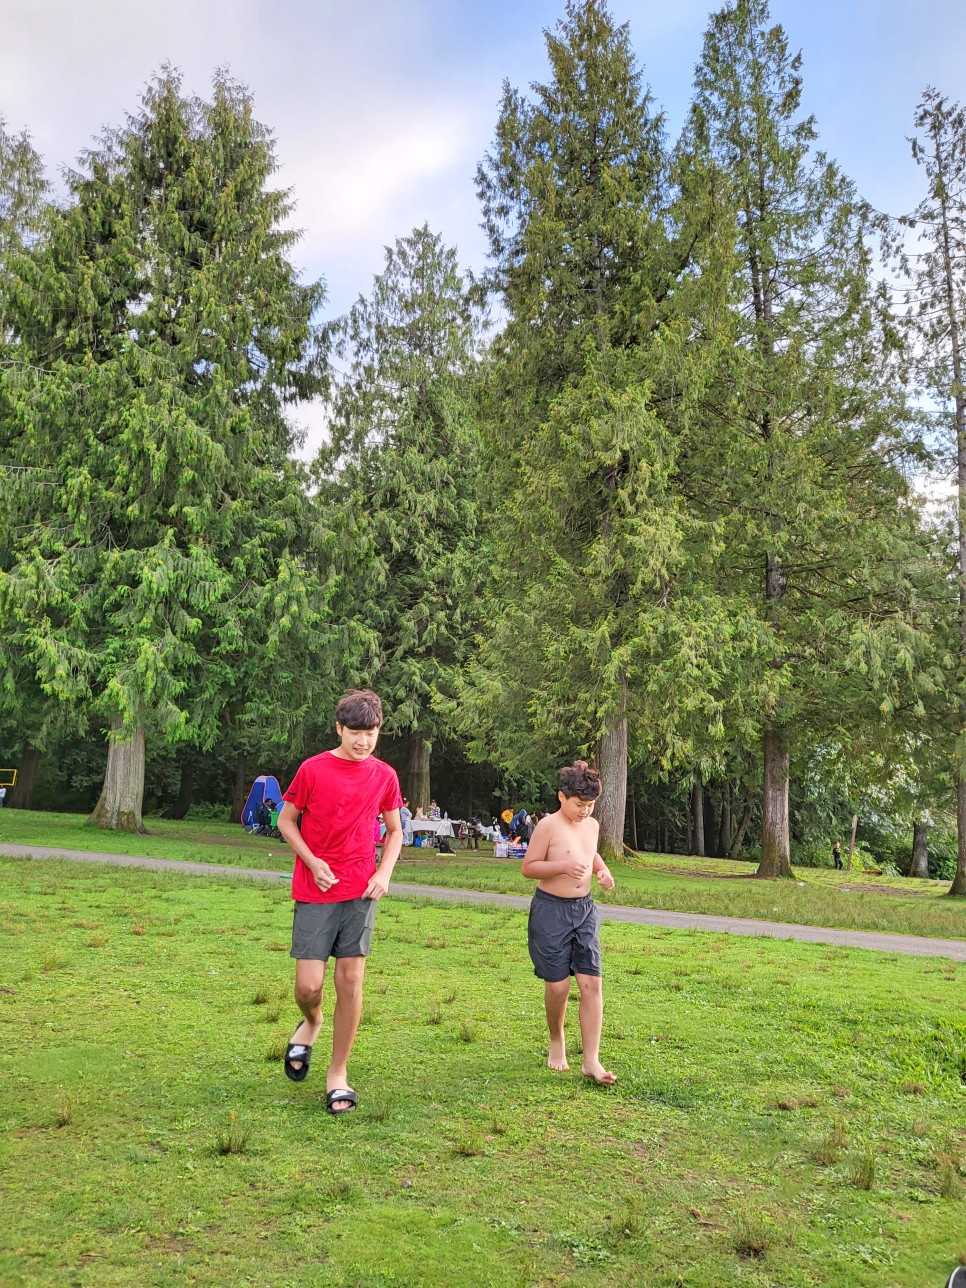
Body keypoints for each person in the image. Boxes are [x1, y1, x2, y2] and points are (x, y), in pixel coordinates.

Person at [277, 688, 403, 1115]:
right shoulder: (313, 770)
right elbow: (285, 819)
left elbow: (395, 831)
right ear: (338, 729)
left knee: (350, 981)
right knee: (308, 986)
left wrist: (383, 872)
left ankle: (337, 1074)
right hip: (316, 889)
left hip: (360, 890)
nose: (362, 741)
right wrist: (312, 862)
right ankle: (311, 1022)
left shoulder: (385, 775)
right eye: (354, 732)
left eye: (370, 733)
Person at [521, 760, 616, 1085]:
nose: (584, 811)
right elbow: (529, 867)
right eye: (579, 805)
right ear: (562, 797)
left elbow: (591, 854)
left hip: (584, 910)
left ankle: (591, 1060)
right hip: (551, 910)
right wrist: (561, 866)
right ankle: (557, 1039)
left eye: (590, 805)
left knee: (591, 984)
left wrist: (603, 871)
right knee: (558, 985)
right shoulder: (548, 825)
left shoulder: (591, 826)